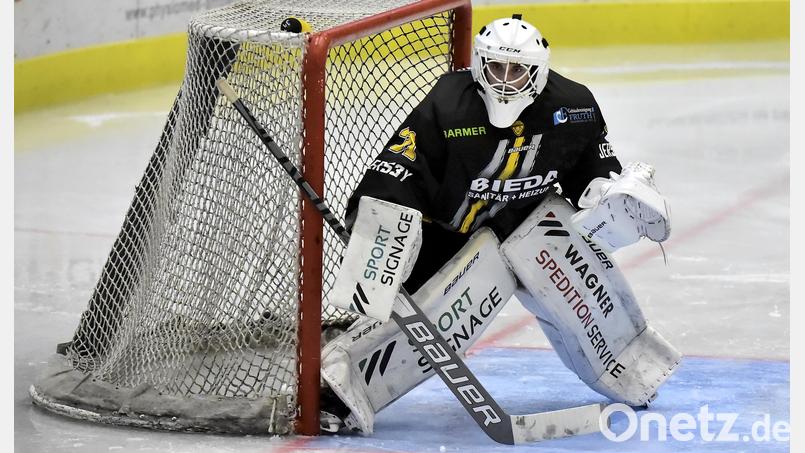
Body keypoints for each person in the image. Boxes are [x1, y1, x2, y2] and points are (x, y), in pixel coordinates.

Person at [319, 15, 679, 435]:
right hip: (446, 238)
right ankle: (338, 390)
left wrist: (608, 194)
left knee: (566, 250)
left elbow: (592, 174)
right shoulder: (449, 104)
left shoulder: (574, 107)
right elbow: (398, 171)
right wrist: (384, 231)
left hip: (525, 225)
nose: (505, 81)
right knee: (434, 318)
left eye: (517, 70)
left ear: (538, 72)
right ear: (479, 65)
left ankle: (630, 365)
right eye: (496, 68)